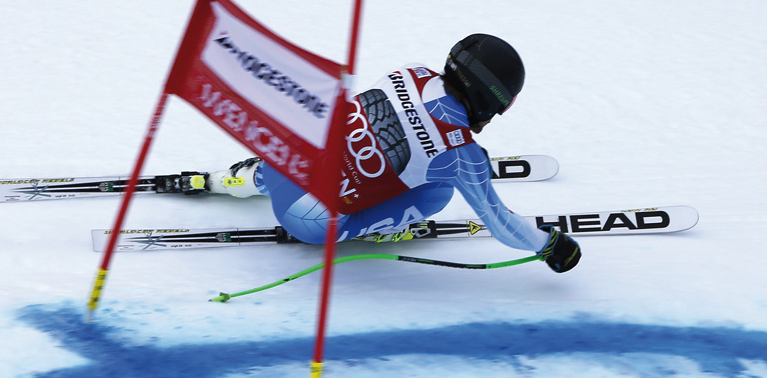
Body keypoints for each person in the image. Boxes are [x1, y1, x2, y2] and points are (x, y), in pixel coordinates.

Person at [201, 34, 581, 273]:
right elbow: (500, 224)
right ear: (490, 100)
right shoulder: (462, 157)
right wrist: (549, 245)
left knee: (343, 142)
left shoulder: (412, 71)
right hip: (307, 223)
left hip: (284, 159)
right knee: (438, 192)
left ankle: (247, 179)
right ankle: (382, 226)